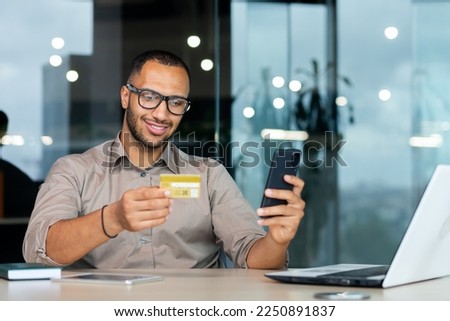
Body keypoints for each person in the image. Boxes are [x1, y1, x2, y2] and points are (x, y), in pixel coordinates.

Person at [23, 50, 305, 269]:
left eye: (176, 102)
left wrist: (277, 241)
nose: (161, 113)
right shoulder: (74, 171)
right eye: (149, 96)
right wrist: (113, 218)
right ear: (125, 96)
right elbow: (39, 251)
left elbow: (253, 258)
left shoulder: (208, 176)